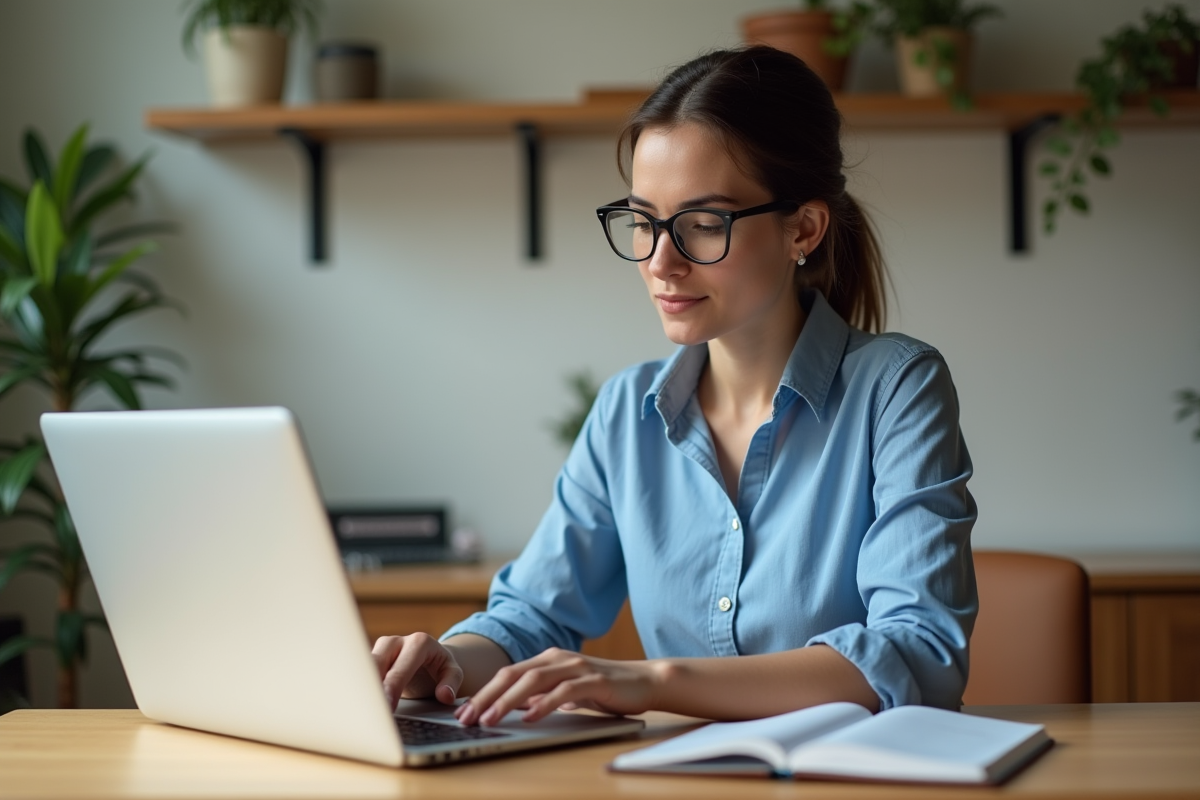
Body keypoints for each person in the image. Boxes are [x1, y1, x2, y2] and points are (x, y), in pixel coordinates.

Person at [372, 46, 977, 727]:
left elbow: (918, 653)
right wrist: (448, 662)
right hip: (679, 772)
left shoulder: (897, 388)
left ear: (803, 230)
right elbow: (531, 616)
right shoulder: (626, 412)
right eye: (643, 222)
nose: (661, 262)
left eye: (703, 225)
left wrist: (654, 682)